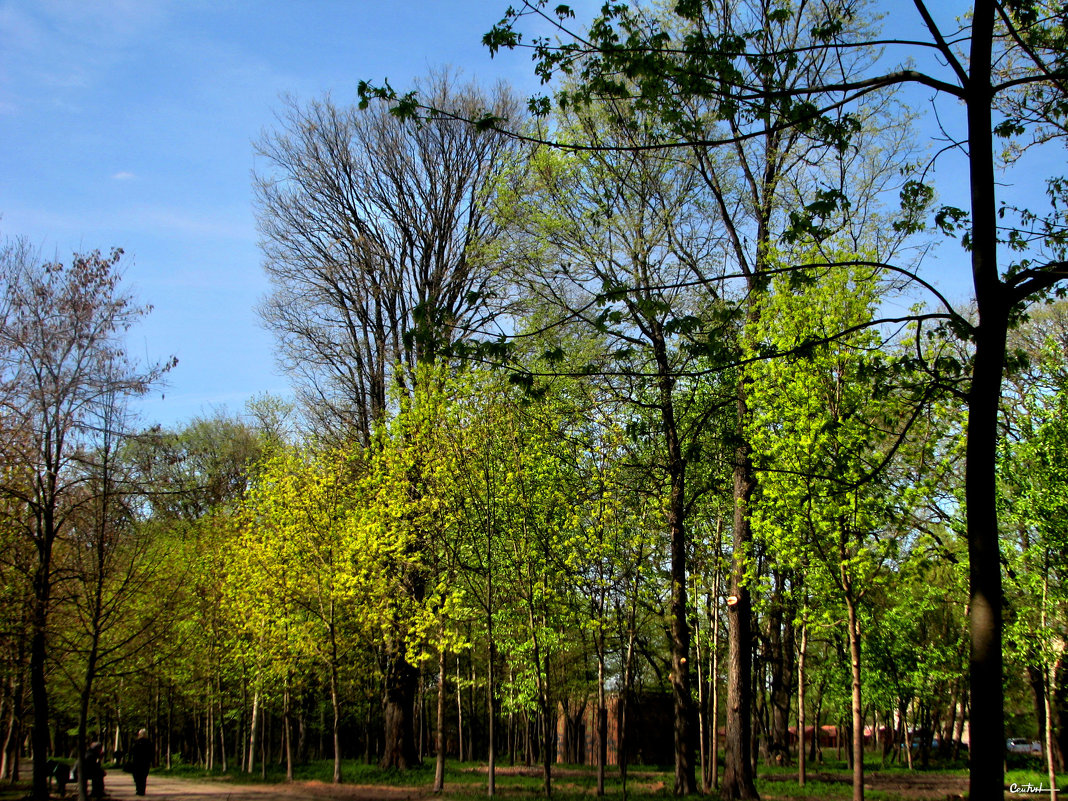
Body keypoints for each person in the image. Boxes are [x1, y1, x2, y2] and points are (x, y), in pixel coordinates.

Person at [130, 728, 153, 796]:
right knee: (143, 777)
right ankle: (141, 790)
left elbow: (133, 752)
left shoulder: (137, 742)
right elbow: (151, 753)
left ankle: (139, 790)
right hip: (144, 763)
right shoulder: (148, 743)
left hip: (138, 763)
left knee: (138, 777)